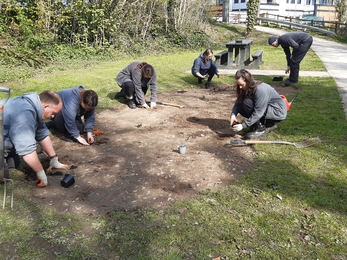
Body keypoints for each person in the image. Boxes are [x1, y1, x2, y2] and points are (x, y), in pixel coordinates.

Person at [4, 91, 69, 188]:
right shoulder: (24, 114)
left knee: (14, 164)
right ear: (46, 107)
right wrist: (40, 173)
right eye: (53, 113)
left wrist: (53, 159)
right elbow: (27, 149)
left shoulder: (35, 108)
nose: (53, 117)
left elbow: (42, 133)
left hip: (4, 141)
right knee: (3, 177)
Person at [230, 69, 287, 139]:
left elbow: (259, 111)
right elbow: (239, 101)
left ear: (247, 81)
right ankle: (267, 124)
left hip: (277, 111)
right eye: (238, 85)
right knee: (243, 104)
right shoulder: (247, 87)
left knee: (246, 103)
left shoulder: (260, 90)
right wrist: (233, 114)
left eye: (241, 85)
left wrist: (244, 125)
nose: (240, 87)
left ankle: (260, 129)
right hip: (266, 109)